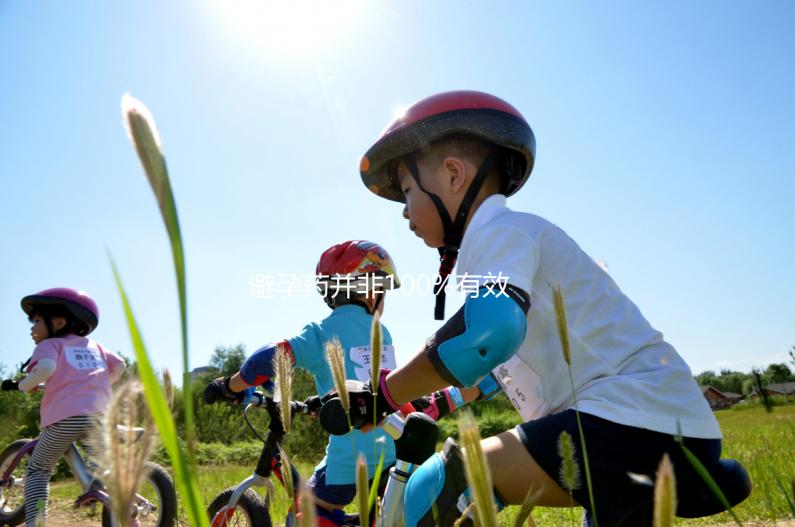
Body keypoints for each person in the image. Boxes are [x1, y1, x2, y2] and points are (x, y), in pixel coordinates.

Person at [317, 91, 730, 526]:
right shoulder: (512, 244)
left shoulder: (500, 233)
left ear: (453, 175)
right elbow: (496, 371)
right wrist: (431, 399)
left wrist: (382, 395)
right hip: (662, 425)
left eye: (405, 191)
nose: (404, 212)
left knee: (442, 483)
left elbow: (485, 336)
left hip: (629, 421)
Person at [204, 240, 475, 525]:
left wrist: (230, 386)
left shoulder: (322, 334)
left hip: (350, 459)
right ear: (371, 293)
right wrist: (321, 403)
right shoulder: (382, 332)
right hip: (395, 447)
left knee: (305, 509)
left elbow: (267, 359)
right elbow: (365, 383)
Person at [2, 288, 126, 526]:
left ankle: (37, 518)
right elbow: (119, 367)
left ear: (58, 322)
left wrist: (25, 385)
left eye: (36, 320)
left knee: (38, 469)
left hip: (65, 419)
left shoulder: (51, 345)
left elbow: (46, 369)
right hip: (100, 415)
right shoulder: (96, 346)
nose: (31, 327)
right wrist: (92, 384)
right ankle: (103, 489)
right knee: (101, 462)